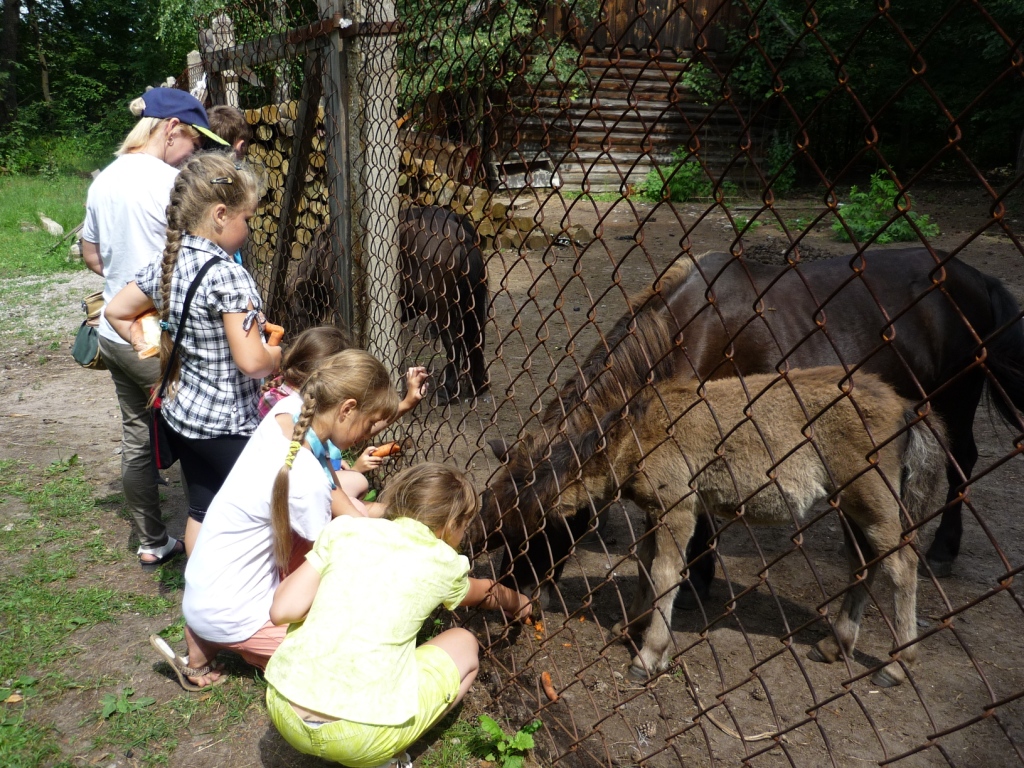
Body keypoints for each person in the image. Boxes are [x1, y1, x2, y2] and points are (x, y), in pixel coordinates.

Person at [148, 349, 401, 690]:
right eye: (370, 423)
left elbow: (333, 491)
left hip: (205, 591)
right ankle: (252, 647)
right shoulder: (306, 480)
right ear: (347, 409)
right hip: (236, 617)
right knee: (351, 646)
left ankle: (203, 640)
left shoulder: (289, 412)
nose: (369, 433)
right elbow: (334, 558)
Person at [264, 463, 532, 768]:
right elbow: (485, 592)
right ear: (453, 524)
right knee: (465, 643)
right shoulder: (443, 561)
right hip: (362, 738)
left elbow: (282, 610)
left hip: (284, 708)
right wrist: (519, 602)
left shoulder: (346, 530)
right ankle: (386, 757)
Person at [105, 152, 282, 558]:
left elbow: (115, 311)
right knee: (269, 508)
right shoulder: (228, 275)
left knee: (202, 506)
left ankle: (199, 588)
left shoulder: (171, 260)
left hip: (183, 414)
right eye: (247, 219)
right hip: (228, 425)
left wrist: (144, 342)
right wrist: (278, 353)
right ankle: (255, 592)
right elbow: (252, 362)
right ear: (221, 214)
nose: (249, 229)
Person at [81, 88, 229, 569]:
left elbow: (91, 254)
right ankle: (214, 540)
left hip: (115, 330)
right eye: (194, 141)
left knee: (137, 437)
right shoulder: (169, 182)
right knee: (197, 433)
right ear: (171, 129)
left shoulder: (104, 179)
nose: (196, 153)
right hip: (157, 335)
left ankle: (151, 539)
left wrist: (124, 274)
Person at [258, 325, 430, 509]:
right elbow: (355, 430)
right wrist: (354, 469)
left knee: (359, 497)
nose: (365, 434)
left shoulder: (286, 397)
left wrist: (406, 403)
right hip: (293, 496)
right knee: (358, 490)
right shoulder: (293, 411)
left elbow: (357, 428)